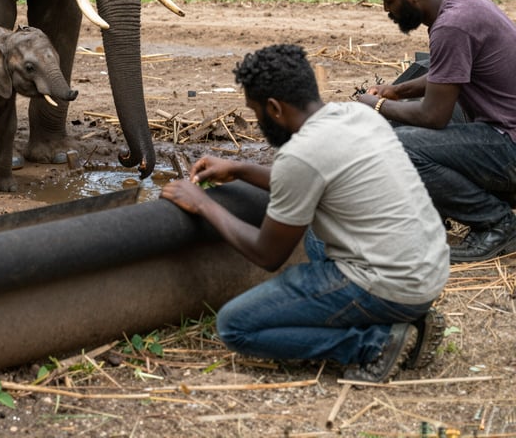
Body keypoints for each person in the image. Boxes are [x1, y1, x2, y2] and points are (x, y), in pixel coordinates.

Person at [161, 43, 449, 383]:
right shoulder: (356, 115)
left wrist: (203, 204)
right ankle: (408, 322)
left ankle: (372, 344)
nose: (257, 123)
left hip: (390, 286)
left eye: (256, 113)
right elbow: (312, 179)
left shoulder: (299, 155)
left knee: (235, 326)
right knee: (314, 238)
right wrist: (241, 169)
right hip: (428, 273)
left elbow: (267, 253)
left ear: (274, 108)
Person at [357, 0, 516, 263]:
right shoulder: (464, 1)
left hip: (508, 143)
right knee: (405, 122)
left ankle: (495, 223)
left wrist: (375, 107)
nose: (387, 11)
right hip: (502, 132)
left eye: (389, 1)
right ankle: (439, 207)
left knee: (397, 146)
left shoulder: (450, 26)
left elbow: (434, 115)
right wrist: (397, 92)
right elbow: (448, 76)